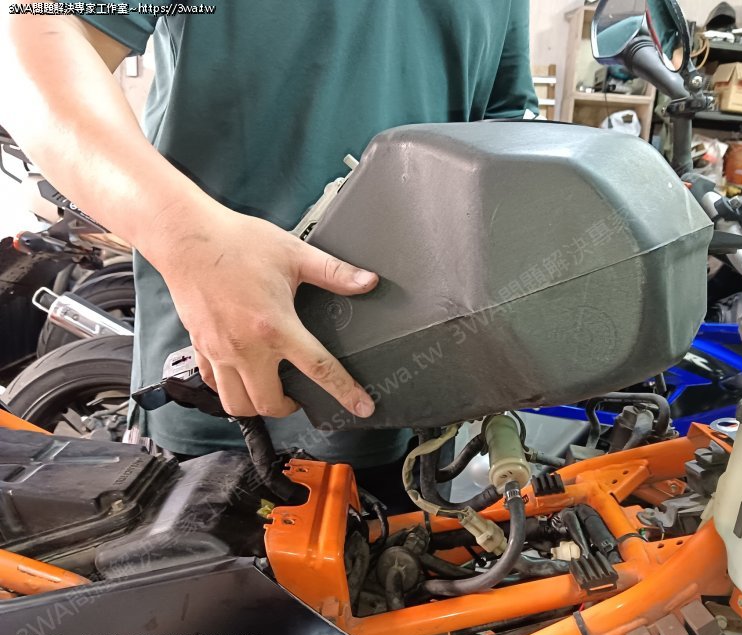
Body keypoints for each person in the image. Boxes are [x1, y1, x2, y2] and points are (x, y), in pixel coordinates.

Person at [0, 1, 538, 466]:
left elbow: (503, 125)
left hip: (426, 408)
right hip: (231, 403)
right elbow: (39, 33)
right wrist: (189, 241)